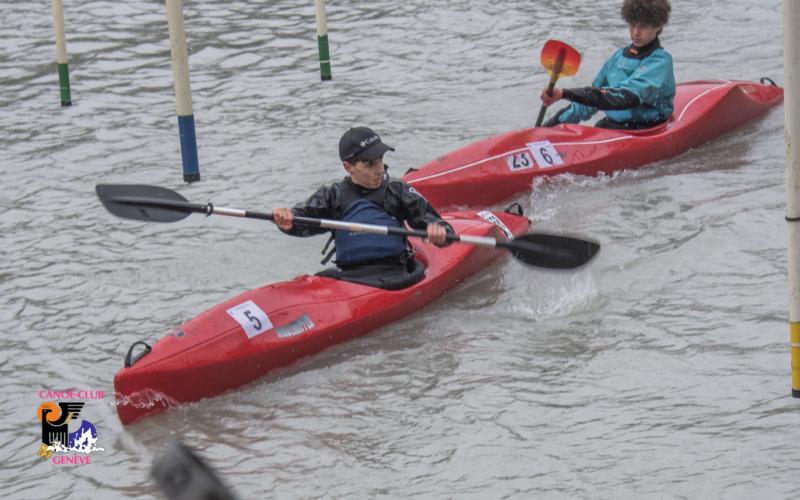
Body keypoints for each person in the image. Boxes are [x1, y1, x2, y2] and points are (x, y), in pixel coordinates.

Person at [271, 127, 453, 290]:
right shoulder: (333, 196)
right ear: (348, 167)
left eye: (381, 159)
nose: (380, 169)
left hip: (394, 274)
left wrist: (438, 231)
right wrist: (286, 219)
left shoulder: (397, 191)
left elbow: (436, 224)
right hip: (349, 277)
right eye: (370, 164)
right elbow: (302, 219)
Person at [540, 0, 675, 130]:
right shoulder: (618, 57)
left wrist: (566, 93)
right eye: (632, 25)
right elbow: (591, 100)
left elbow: (625, 97)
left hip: (647, 127)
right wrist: (548, 127)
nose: (635, 33)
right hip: (614, 126)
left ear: (658, 25)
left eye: (643, 26)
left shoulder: (660, 62)